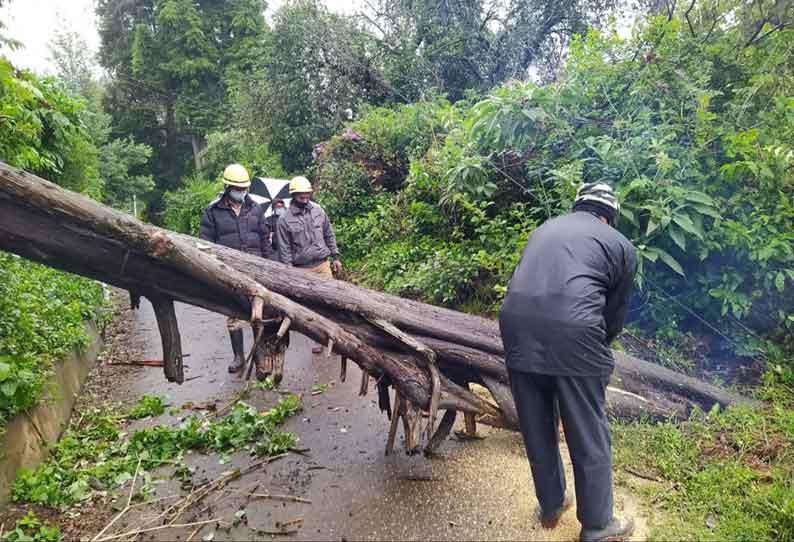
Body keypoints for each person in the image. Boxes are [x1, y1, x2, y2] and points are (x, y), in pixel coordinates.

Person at [498, 183, 637, 542]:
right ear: (608, 217)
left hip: (514, 327)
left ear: (578, 207)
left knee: (536, 424)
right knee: (588, 429)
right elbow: (614, 314)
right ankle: (597, 524)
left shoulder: (544, 229)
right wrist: (596, 353)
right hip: (576, 331)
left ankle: (551, 504)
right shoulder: (620, 245)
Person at [199, 163, 273, 379]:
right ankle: (238, 357)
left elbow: (264, 239)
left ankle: (260, 357)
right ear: (227, 186)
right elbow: (205, 244)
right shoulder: (212, 211)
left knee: (257, 314)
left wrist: (269, 267)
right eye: (237, 188)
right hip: (228, 272)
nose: (241, 192)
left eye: (244, 189)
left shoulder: (255, 208)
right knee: (233, 315)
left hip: (254, 269)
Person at [277, 176, 341, 353]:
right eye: (301, 197)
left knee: (331, 303)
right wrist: (289, 274)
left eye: (308, 196)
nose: (305, 200)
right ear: (293, 196)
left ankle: (335, 341)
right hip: (302, 270)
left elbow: (329, 234)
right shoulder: (284, 219)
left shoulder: (319, 211)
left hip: (322, 265)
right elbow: (284, 250)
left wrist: (335, 256)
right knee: (312, 309)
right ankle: (319, 340)